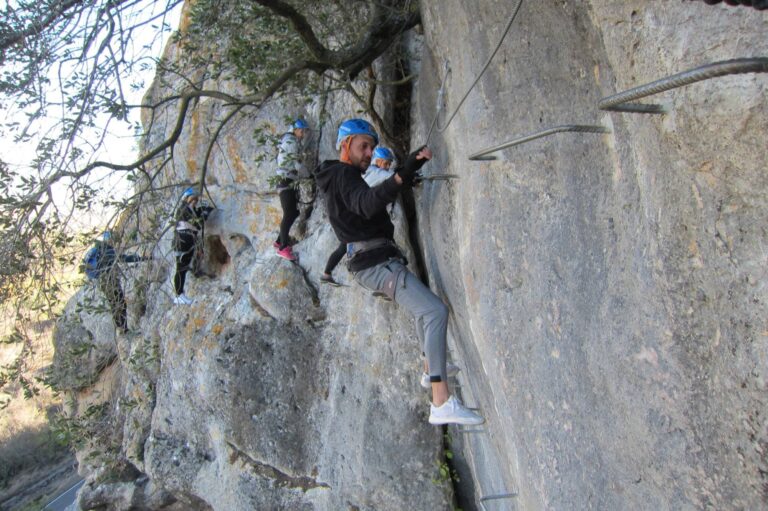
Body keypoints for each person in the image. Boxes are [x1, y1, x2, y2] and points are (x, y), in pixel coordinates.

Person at [314, 118, 484, 426]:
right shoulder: (344, 174)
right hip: (375, 263)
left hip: (374, 261)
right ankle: (441, 401)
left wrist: (407, 171)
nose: (369, 153)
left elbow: (369, 201)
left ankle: (428, 367)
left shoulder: (340, 176)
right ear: (345, 144)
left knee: (423, 311)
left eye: (371, 147)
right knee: (434, 311)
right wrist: (402, 174)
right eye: (364, 146)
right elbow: (367, 204)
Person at [320, 146, 396, 286]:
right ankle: (386, 277)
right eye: (385, 163)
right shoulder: (376, 172)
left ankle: (326, 273)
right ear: (377, 161)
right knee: (382, 241)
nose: (387, 166)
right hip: (360, 218)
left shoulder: (366, 171)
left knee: (343, 246)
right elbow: (392, 176)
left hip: (355, 216)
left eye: (389, 164)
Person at [82, 231, 147, 333]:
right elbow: (123, 258)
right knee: (120, 303)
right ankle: (123, 329)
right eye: (110, 240)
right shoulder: (106, 251)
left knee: (114, 303)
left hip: (102, 281)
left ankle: (121, 328)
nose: (112, 242)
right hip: (109, 280)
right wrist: (141, 258)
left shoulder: (97, 250)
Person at [274, 118, 309, 261]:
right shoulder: (292, 142)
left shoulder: (286, 141)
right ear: (295, 130)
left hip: (286, 180)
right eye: (302, 131)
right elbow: (297, 164)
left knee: (293, 212)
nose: (303, 134)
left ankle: (278, 241)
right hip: (286, 180)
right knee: (289, 213)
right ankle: (283, 247)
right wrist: (309, 175)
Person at [172, 187, 214, 305]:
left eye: (196, 199)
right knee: (181, 268)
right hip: (182, 242)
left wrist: (205, 211)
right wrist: (203, 215)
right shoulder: (183, 209)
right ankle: (178, 295)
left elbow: (197, 226)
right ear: (186, 198)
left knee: (183, 268)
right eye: (193, 198)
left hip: (189, 241)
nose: (195, 201)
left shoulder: (191, 209)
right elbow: (197, 224)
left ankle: (180, 294)